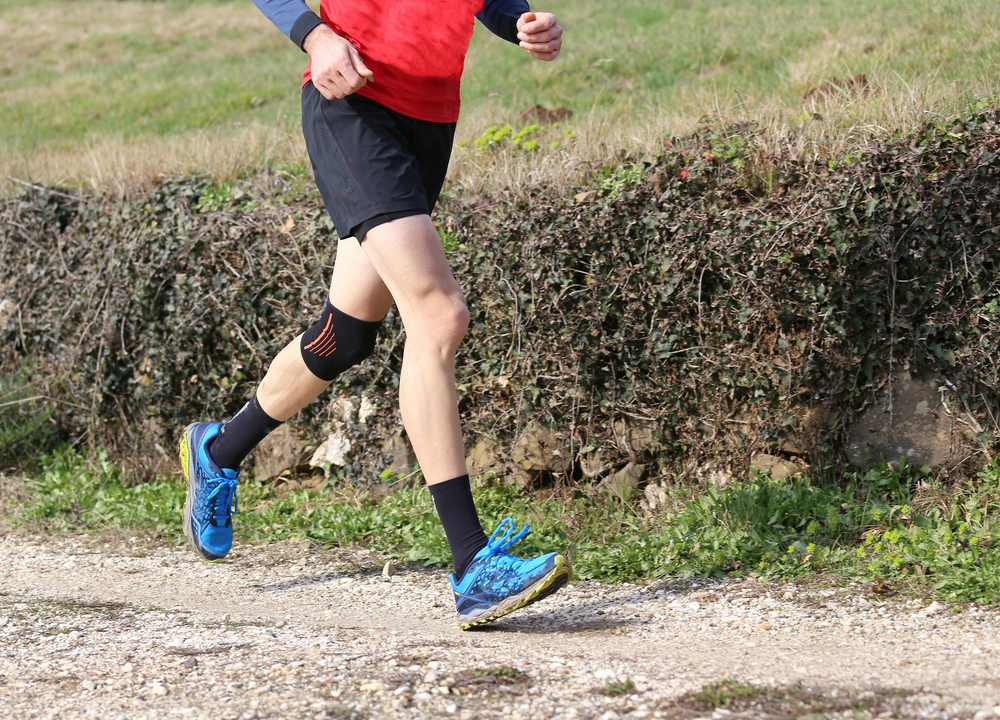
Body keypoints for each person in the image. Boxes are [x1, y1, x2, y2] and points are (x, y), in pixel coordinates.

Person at [178, 0, 571, 629]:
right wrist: (315, 37)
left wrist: (520, 22)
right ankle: (472, 565)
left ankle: (218, 451)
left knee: (346, 336)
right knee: (439, 316)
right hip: (354, 102)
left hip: (432, 117)